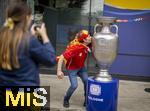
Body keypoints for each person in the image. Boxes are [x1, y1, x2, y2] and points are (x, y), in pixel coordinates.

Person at [0, 2, 56, 110]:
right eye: (31, 17)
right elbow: (50, 60)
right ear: (26, 18)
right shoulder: (30, 41)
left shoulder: (3, 38)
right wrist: (44, 36)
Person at [57, 30, 92, 108]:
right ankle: (66, 99)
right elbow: (62, 57)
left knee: (87, 81)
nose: (91, 37)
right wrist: (59, 71)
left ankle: (86, 100)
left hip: (81, 67)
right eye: (89, 36)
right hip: (72, 69)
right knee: (74, 85)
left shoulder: (87, 43)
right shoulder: (76, 48)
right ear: (84, 40)